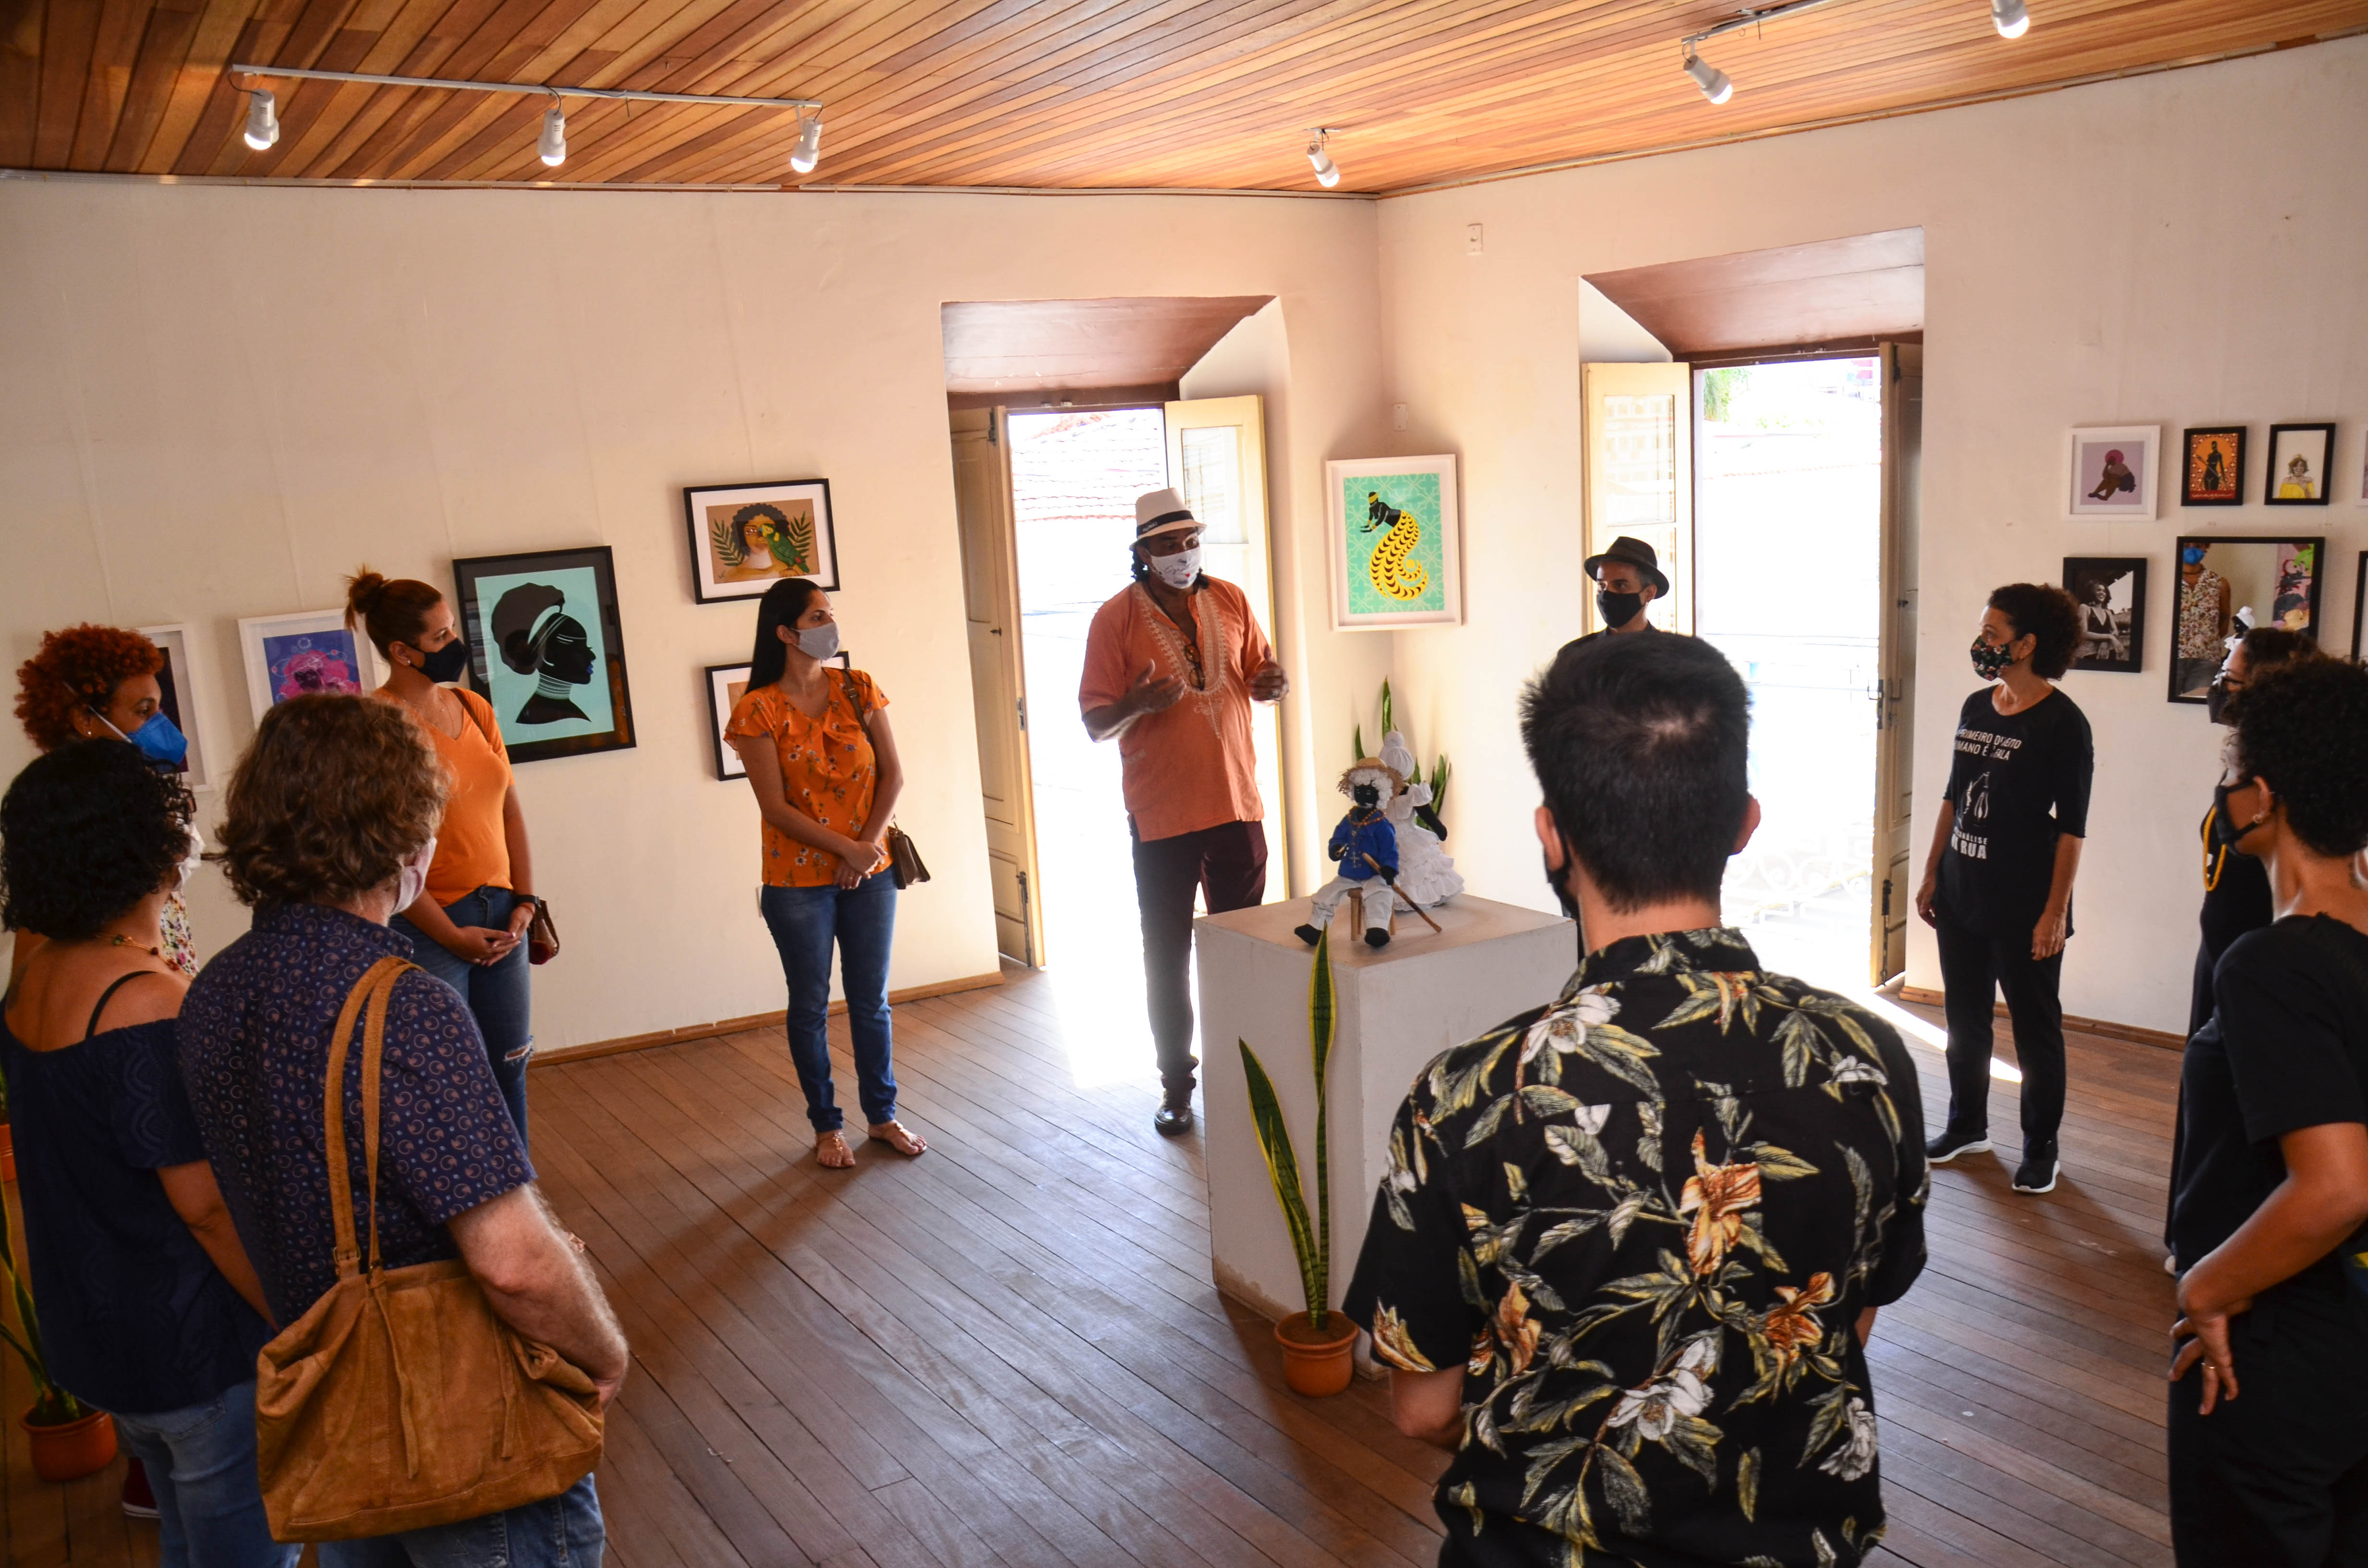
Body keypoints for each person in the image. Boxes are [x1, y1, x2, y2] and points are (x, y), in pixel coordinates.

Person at [1344, 632, 1928, 1567]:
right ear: (1743, 823)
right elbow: (1847, 1316)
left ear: (1551, 835)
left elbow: (1422, 1409)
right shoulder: (1865, 1057)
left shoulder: (1468, 1094)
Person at [179, 694, 626, 1566]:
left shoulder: (214, 992)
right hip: (462, 1414)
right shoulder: (405, 1003)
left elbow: (233, 1206)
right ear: (405, 836)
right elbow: (512, 1262)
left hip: (337, 1405)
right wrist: (602, 1353)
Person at [0, 742, 287, 1567]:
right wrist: (292, 1317)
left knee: (181, 1536)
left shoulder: (35, 977)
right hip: (191, 1344)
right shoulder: (143, 1000)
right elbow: (205, 1206)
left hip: (100, 1333)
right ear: (140, 847)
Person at [2166, 656, 2368, 1564]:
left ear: (2268, 795)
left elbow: (2335, 1187)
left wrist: (2205, 1286)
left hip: (2274, 1351)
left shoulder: (2274, 964)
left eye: (2236, 768)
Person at [1079, 487, 1290, 1136]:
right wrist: (1137, 704)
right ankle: (1177, 1085)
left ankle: (1247, 1075)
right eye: (1167, 544)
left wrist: (1274, 684)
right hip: (1162, 816)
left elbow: (1260, 675)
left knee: (1242, 948)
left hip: (1237, 806)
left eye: (1190, 540)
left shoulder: (1229, 599)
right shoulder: (1114, 619)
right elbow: (1096, 723)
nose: (1183, 553)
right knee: (1167, 956)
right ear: (1142, 552)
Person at [725, 577, 925, 1170]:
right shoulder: (757, 709)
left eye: (829, 614)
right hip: (796, 881)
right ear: (785, 634)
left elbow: (892, 775)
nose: (829, 625)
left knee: (871, 1001)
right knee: (810, 1004)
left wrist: (862, 850)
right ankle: (826, 1126)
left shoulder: (857, 687)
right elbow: (775, 808)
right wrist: (846, 850)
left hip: (870, 870)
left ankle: (882, 1116)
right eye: (817, 617)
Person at [344, 569, 547, 1139]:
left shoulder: (473, 707)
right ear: (401, 652)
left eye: (452, 629)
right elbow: (385, 856)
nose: (454, 644)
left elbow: (509, 810)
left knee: (510, 1066)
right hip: (428, 925)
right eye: (439, 637)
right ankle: (462, 1197)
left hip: (503, 913)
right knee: (447, 1081)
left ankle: (520, 1194)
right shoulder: (375, 726)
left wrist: (525, 901)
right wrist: (450, 935)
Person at [1914, 583, 2091, 1195]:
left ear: (2026, 644)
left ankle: (2041, 1148)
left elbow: (2072, 828)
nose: (1981, 642)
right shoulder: (1975, 705)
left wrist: (2054, 913)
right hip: (1961, 893)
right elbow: (1952, 796)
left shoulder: (2062, 723)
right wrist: (1931, 871)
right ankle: (1966, 1127)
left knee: (2034, 1032)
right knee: (1964, 1023)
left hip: (2024, 903)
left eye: (1991, 634)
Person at [13, 624, 199, 977]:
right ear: (86, 719)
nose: (160, 725)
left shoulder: (135, 803)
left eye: (158, 709)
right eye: (143, 711)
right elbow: (38, 964)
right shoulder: (66, 818)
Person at [1556, 534, 1667, 657]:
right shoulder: (1576, 654)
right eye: (1601, 585)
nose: (1606, 594)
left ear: (1649, 593)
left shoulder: (1670, 656)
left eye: (1620, 585)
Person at [2175, 544, 2232, 698]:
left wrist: (2206, 641)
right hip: (2171, 657)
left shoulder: (2219, 583)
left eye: (2198, 546)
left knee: (2198, 706)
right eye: (2186, 546)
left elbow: (2225, 617)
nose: (2191, 550)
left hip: (2206, 660)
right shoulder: (2168, 579)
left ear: (2206, 548)